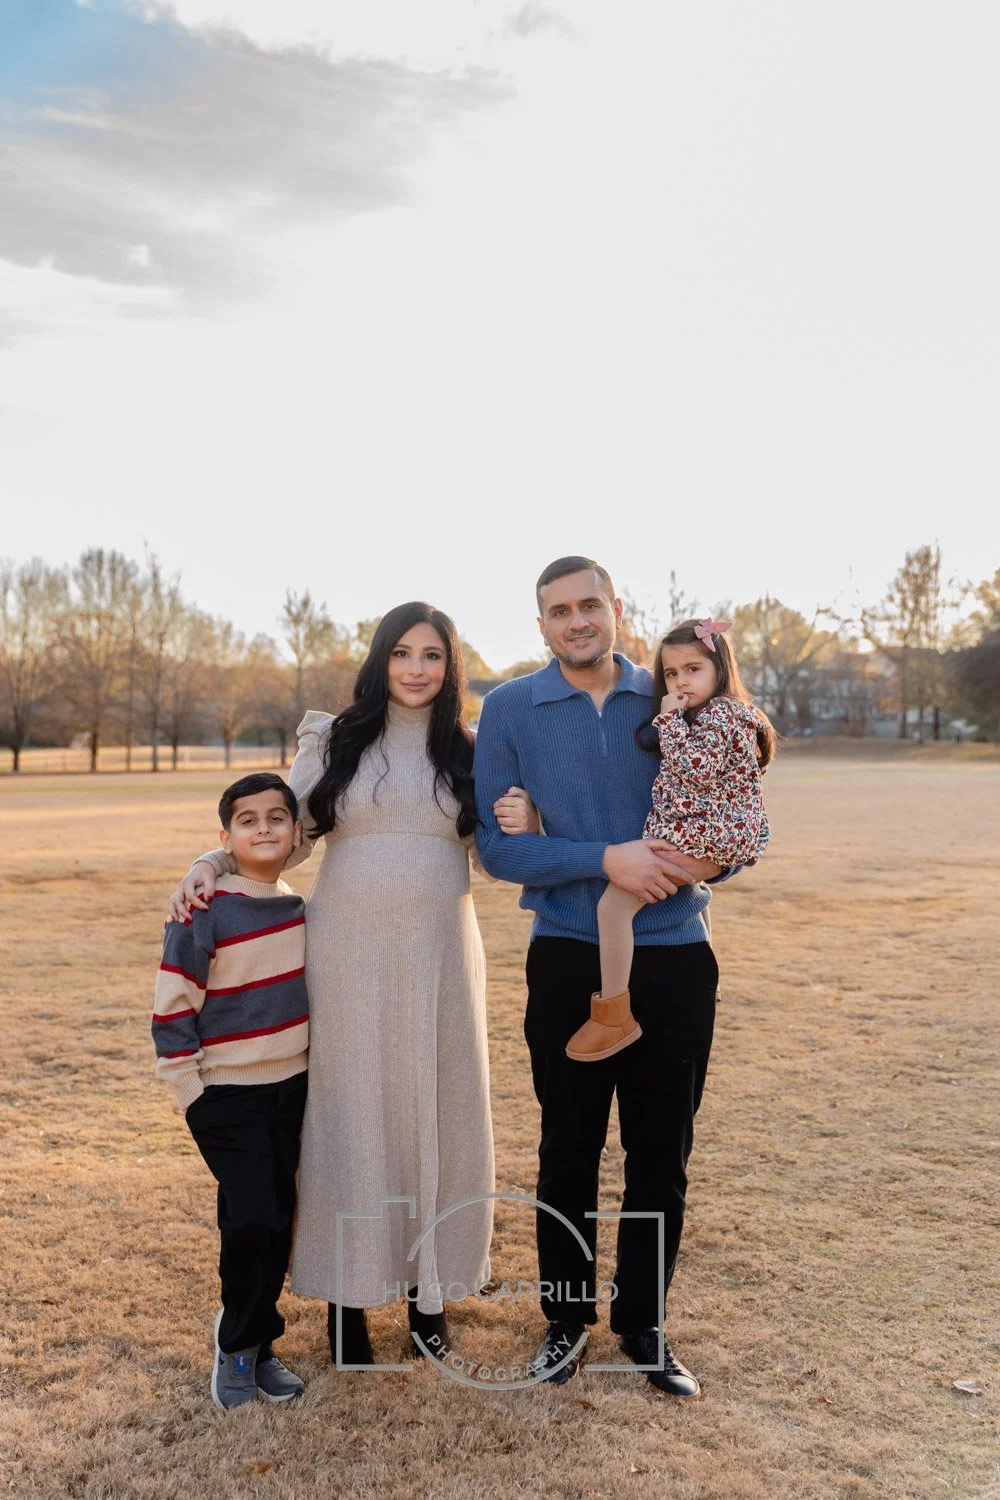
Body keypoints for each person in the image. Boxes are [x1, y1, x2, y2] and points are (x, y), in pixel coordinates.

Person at [168, 603, 494, 1369]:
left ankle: (429, 1299)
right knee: (352, 1118)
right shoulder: (339, 739)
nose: (417, 669)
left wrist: (527, 815)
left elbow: (496, 856)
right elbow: (284, 831)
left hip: (444, 954)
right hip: (345, 953)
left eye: (434, 656)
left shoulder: (471, 751)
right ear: (380, 660)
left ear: (451, 668)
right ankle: (349, 1307)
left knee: (436, 1110)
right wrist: (208, 865)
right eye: (403, 653)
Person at [476, 556, 743, 1399]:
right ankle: (564, 1321)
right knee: (567, 1148)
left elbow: (730, 822)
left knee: (661, 1152)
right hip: (564, 957)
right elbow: (499, 847)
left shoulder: (673, 692)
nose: (577, 620)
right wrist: (605, 858)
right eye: (559, 611)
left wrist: (674, 866)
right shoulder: (510, 709)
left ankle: (645, 1322)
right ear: (542, 624)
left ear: (616, 609)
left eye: (590, 604)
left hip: (674, 955)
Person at [151, 772, 309, 1412]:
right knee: (251, 1218)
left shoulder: (297, 906)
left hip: (292, 1087)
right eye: (248, 820)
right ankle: (238, 1349)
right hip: (225, 1092)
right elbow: (172, 1005)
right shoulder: (204, 907)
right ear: (226, 835)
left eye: (278, 817)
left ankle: (261, 1341)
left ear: (297, 834)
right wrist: (191, 1092)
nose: (265, 828)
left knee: (278, 1222)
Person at [562, 616, 773, 1060]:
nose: (680, 682)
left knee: (613, 907)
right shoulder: (726, 715)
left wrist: (669, 720)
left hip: (704, 835)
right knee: (693, 891)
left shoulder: (719, 714)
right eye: (672, 674)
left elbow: (695, 771)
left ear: (720, 668)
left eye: (692, 670)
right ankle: (708, 979)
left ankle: (613, 1015)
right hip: (707, 835)